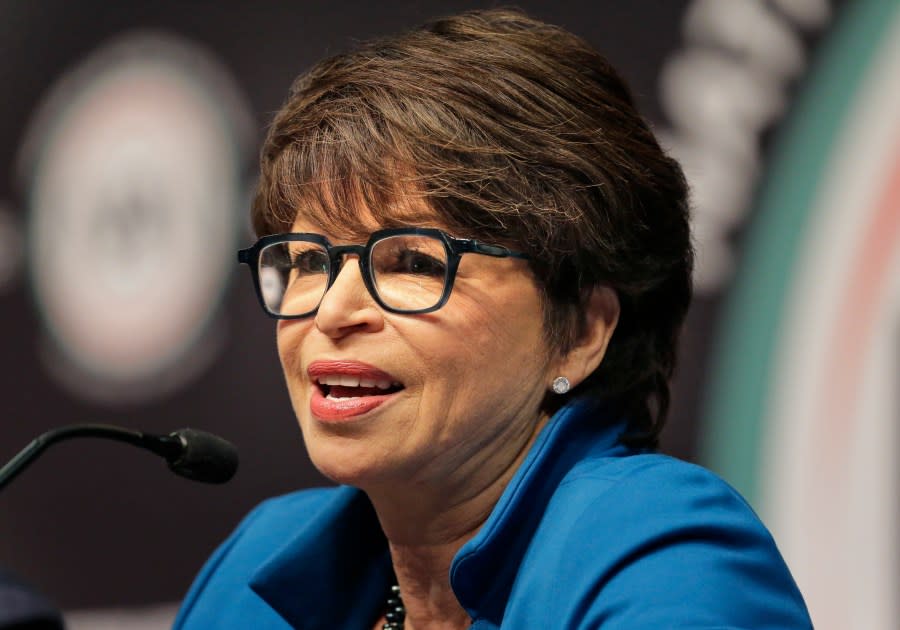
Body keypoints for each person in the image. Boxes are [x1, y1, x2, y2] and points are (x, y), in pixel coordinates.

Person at [174, 9, 812, 629]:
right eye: (310, 261)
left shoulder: (663, 554)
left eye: (414, 264)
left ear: (582, 333)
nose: (334, 311)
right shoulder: (254, 568)